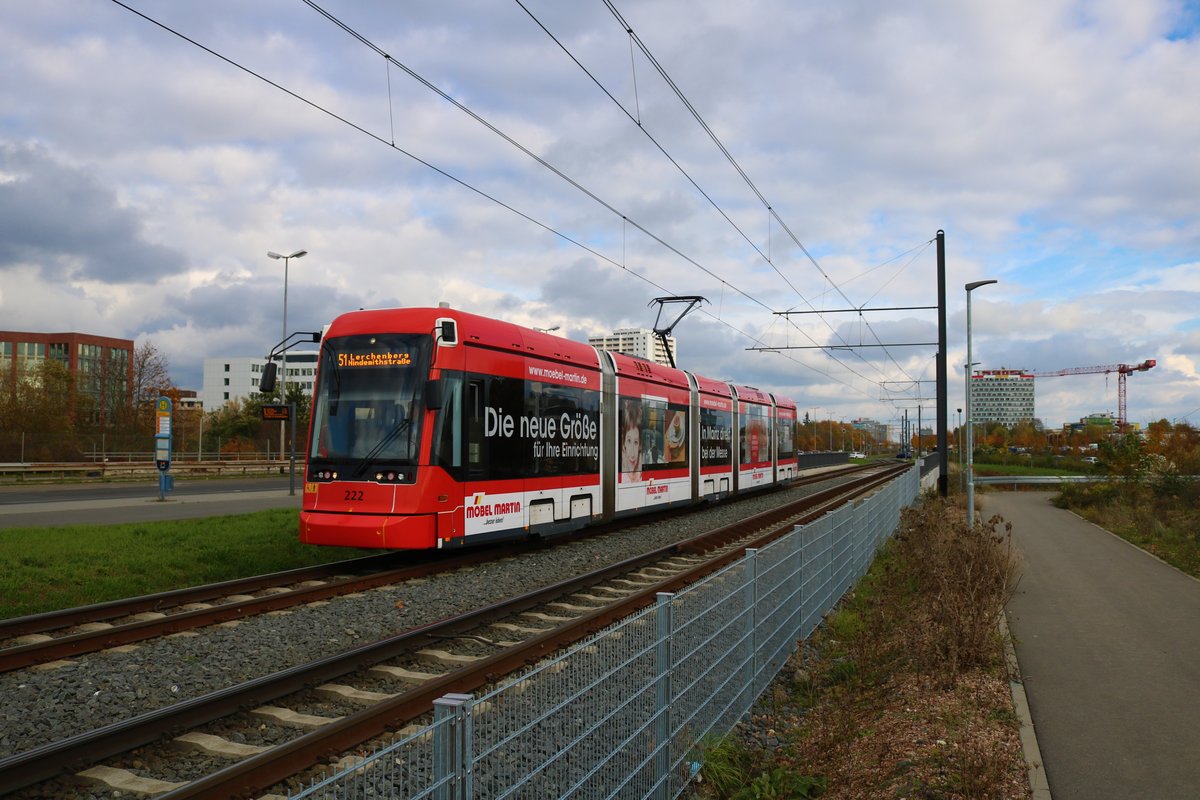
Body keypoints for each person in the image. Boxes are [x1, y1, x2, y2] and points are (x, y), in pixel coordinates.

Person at [619, 399, 643, 482]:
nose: (632, 454)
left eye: (636, 442)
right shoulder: (622, 476)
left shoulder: (641, 475)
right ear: (624, 443)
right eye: (629, 441)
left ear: (640, 445)